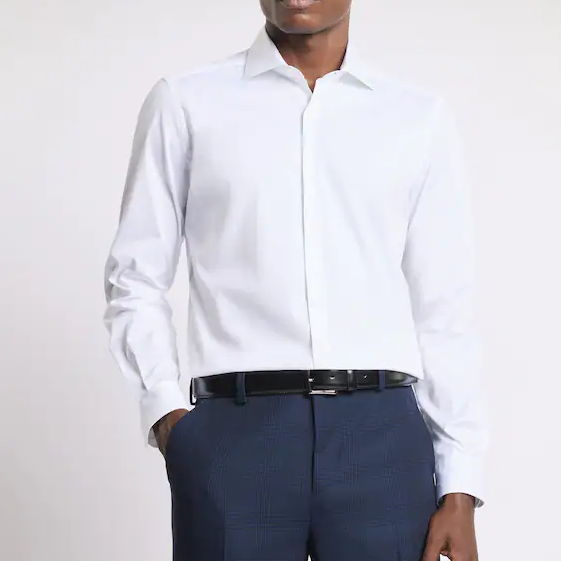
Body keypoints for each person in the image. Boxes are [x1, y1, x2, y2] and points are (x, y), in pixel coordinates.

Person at [103, 1, 488, 559]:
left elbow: (444, 308)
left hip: (381, 438)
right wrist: (168, 418)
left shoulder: (417, 117)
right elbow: (135, 277)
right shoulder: (186, 102)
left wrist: (460, 483)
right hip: (235, 436)